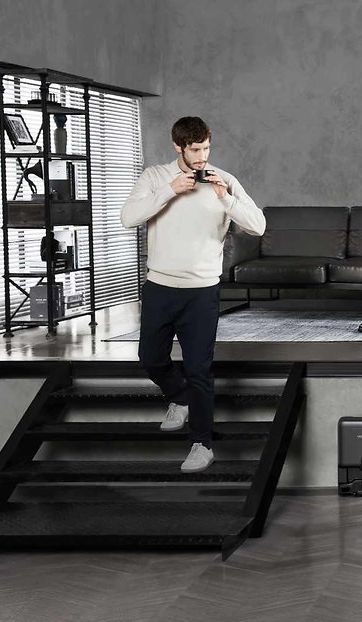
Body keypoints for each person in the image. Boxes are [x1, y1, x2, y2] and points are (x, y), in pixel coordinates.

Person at [120, 117, 266, 473]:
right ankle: (179, 398)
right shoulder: (156, 178)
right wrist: (171, 189)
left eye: (206, 148)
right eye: (195, 150)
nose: (202, 157)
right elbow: (128, 218)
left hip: (202, 291)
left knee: (199, 368)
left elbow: (258, 225)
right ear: (178, 147)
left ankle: (202, 443)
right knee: (149, 357)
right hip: (160, 286)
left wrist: (225, 198)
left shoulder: (224, 180)